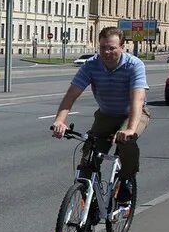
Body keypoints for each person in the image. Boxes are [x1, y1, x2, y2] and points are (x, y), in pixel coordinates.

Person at [52, 26, 150, 203]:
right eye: (103, 47)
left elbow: (137, 99)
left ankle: (126, 179)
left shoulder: (134, 65)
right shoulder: (91, 65)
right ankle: (89, 201)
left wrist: (129, 129)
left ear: (122, 47)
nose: (106, 52)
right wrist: (60, 120)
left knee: (127, 141)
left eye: (111, 47)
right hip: (106, 114)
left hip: (133, 113)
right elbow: (71, 94)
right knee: (89, 152)